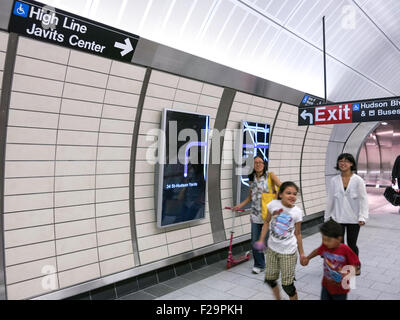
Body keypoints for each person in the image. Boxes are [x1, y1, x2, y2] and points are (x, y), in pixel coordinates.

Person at [254, 181, 305, 300]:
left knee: (287, 286)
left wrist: (302, 253)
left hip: (288, 252)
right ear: (281, 194)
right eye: (288, 193)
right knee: (270, 279)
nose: (292, 196)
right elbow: (266, 222)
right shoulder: (273, 205)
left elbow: (298, 234)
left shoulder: (297, 212)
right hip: (272, 249)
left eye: (294, 194)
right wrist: (261, 239)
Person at [233, 156, 281, 274]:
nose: (258, 164)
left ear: (264, 165)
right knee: (255, 241)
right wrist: (240, 205)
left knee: (270, 241)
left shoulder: (270, 176)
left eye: (260, 162)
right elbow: (250, 197)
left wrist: (275, 198)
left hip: (268, 215)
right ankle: (259, 264)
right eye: (256, 163)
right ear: (253, 165)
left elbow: (283, 187)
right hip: (255, 215)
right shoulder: (252, 178)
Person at [325, 153, 368, 275]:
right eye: (340, 161)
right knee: (339, 244)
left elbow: (363, 199)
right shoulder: (334, 180)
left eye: (346, 161)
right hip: (337, 217)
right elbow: (330, 200)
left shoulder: (358, 180)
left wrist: (362, 216)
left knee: (352, 244)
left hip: (354, 218)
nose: (343, 163)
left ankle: (356, 264)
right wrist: (327, 217)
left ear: (351, 164)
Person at [302, 219, 360, 300]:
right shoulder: (325, 246)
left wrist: (348, 274)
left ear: (339, 239)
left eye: (328, 240)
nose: (325, 242)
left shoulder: (345, 249)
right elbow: (317, 251)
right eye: (323, 239)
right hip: (326, 285)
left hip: (341, 289)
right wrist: (308, 258)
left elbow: (356, 265)